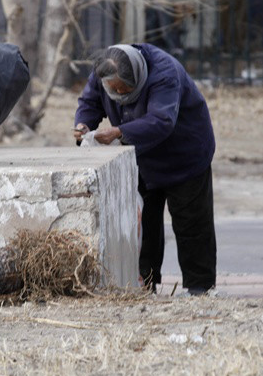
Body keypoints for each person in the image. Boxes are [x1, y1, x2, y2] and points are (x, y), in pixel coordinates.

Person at [73, 43, 217, 295]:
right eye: (113, 89)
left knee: (191, 222)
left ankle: (200, 288)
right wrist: (83, 124)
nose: (119, 93)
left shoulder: (164, 73)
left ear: (138, 77)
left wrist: (119, 132)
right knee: (143, 222)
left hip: (184, 153)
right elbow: (90, 101)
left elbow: (162, 121)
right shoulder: (103, 71)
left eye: (124, 89)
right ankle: (145, 284)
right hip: (141, 155)